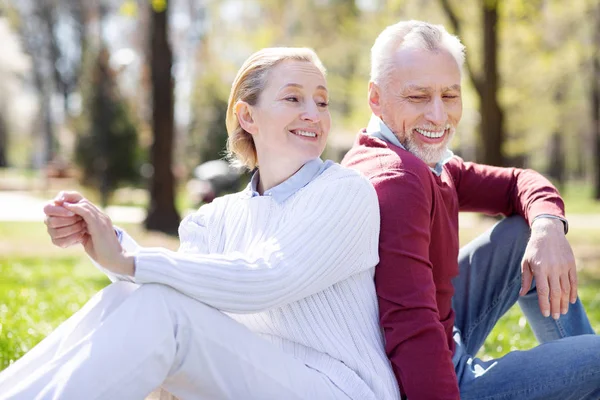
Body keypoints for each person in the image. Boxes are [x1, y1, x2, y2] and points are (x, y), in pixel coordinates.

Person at [0, 47, 399, 400]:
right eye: (293, 98)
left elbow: (267, 277)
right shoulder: (216, 217)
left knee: (164, 313)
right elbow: (180, 289)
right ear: (247, 116)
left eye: (322, 102)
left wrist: (128, 260)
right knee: (128, 298)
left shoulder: (345, 191)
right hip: (257, 380)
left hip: (339, 387)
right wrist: (103, 239)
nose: (312, 113)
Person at [342, 20, 600, 400]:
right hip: (431, 375)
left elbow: (517, 182)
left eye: (449, 95)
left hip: (444, 330)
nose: (437, 115)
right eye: (417, 97)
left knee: (526, 232)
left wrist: (548, 227)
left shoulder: (421, 160)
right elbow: (409, 324)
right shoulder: (398, 177)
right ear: (376, 98)